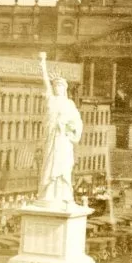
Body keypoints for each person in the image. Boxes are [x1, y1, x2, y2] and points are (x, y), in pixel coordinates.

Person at [38, 52, 83, 206]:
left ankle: (63, 194)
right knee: (49, 166)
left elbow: (77, 123)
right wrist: (42, 63)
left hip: (63, 140)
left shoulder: (69, 104)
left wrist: (67, 128)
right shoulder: (51, 99)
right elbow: (45, 81)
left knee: (62, 167)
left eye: (60, 86)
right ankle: (48, 193)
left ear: (64, 89)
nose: (57, 88)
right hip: (51, 140)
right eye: (55, 86)